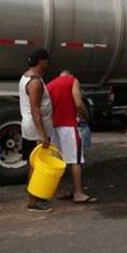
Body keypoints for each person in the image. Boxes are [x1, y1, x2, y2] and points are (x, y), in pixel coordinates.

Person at [47, 70, 97, 204]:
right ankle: (78, 193)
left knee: (56, 160)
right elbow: (78, 104)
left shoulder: (50, 85)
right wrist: (86, 116)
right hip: (69, 125)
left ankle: (56, 190)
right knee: (75, 160)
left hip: (54, 126)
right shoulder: (72, 81)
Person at [19, 48, 57, 212]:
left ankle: (37, 197)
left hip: (32, 127)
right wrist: (42, 134)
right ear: (41, 61)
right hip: (35, 130)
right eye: (46, 60)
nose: (48, 63)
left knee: (35, 165)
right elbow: (35, 110)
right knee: (36, 166)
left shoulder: (27, 77)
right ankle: (33, 201)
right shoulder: (35, 82)